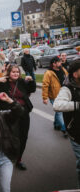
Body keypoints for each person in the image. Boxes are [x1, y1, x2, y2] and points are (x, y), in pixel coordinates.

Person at [0, 65, 36, 170]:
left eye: (17, 72)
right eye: (13, 72)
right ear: (8, 72)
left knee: (23, 136)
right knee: (9, 137)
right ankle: (6, 159)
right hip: (9, 113)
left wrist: (31, 80)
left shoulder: (21, 82)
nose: (16, 74)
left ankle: (19, 159)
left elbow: (32, 89)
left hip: (23, 113)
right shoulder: (1, 80)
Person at [53, 59, 80, 188]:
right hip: (77, 133)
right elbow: (57, 105)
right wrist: (77, 105)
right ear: (75, 74)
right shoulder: (67, 88)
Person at [42, 57, 68, 136]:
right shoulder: (49, 73)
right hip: (54, 96)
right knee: (59, 112)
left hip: (64, 94)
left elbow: (68, 78)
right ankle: (64, 129)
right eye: (59, 62)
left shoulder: (63, 69)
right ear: (54, 63)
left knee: (58, 111)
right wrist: (45, 98)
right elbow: (45, 85)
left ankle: (56, 124)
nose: (60, 63)